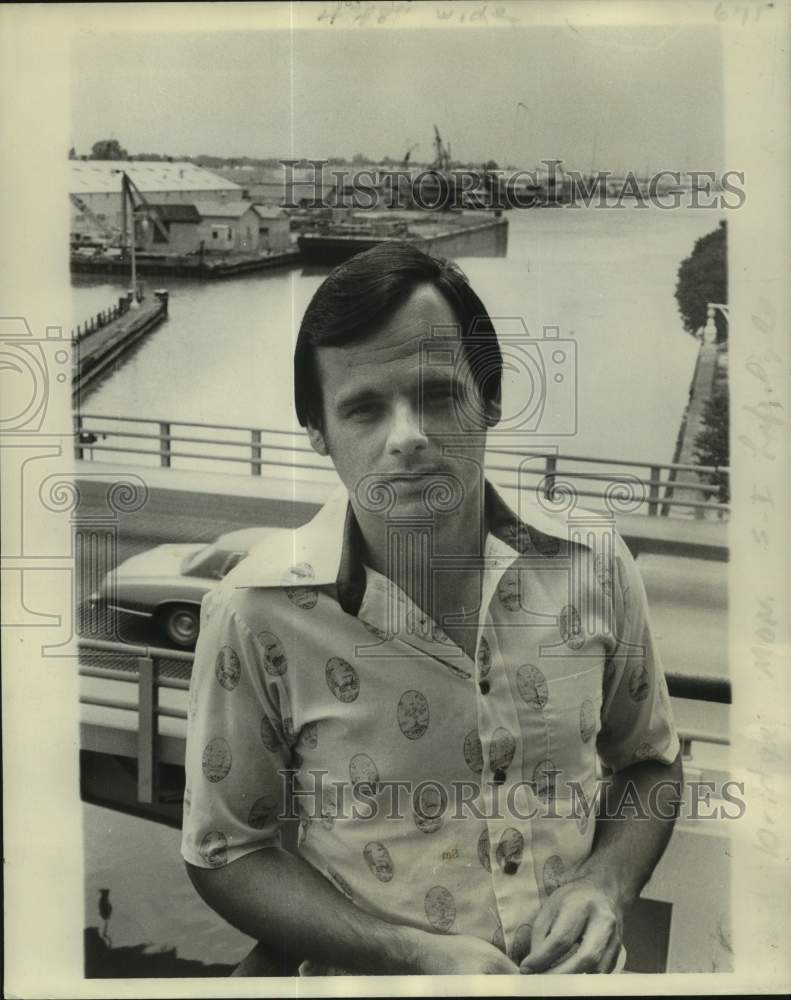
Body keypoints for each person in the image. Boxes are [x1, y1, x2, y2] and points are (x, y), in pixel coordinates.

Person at [181, 242, 682, 976]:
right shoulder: (254, 614)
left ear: (492, 398)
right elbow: (226, 853)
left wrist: (604, 885)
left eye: (439, 394)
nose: (406, 436)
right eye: (363, 408)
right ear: (318, 432)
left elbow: (649, 765)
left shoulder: (594, 565)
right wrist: (411, 955)